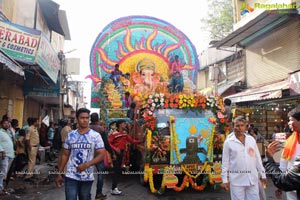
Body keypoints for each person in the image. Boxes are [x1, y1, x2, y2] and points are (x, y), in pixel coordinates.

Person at [55, 108, 105, 200]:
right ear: (77, 119)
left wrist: (87, 164)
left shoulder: (95, 136)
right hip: (71, 175)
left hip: (87, 176)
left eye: (87, 118)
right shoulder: (71, 135)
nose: (85, 120)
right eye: (82, 118)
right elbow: (65, 155)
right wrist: (59, 173)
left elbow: (102, 154)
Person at [221, 116, 267, 200]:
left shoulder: (251, 140)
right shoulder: (228, 142)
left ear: (246, 127)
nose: (240, 128)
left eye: (242, 125)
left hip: (252, 179)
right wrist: (225, 179)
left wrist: (263, 174)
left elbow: (257, 158)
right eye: (237, 126)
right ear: (233, 127)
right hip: (236, 180)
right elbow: (225, 162)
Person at [264, 107, 300, 199]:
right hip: (290, 190)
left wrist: (269, 160)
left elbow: (283, 180)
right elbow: (284, 164)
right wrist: (279, 186)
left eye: (291, 120)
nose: (288, 123)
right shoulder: (290, 141)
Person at [108, 119, 142, 195]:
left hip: (121, 153)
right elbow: (108, 143)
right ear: (120, 125)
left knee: (118, 170)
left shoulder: (124, 133)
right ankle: (113, 188)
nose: (125, 125)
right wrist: (115, 149)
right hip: (115, 154)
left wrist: (141, 141)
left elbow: (132, 141)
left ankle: (114, 187)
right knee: (116, 170)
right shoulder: (114, 134)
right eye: (124, 123)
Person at [89, 112, 114, 200]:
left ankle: (86, 193)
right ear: (98, 119)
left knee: (87, 174)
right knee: (101, 174)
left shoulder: (86, 128)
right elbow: (105, 143)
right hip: (99, 154)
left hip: (88, 154)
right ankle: (98, 194)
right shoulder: (101, 129)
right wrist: (111, 152)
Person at [0, 119, 15, 196]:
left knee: (5, 173)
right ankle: (0, 188)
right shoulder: (0, 132)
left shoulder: (8, 132)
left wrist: (10, 129)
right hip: (4, 155)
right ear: (1, 124)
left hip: (10, 155)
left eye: (8, 123)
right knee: (2, 172)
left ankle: (2, 187)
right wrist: (2, 151)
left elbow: (13, 138)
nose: (7, 124)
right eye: (5, 123)